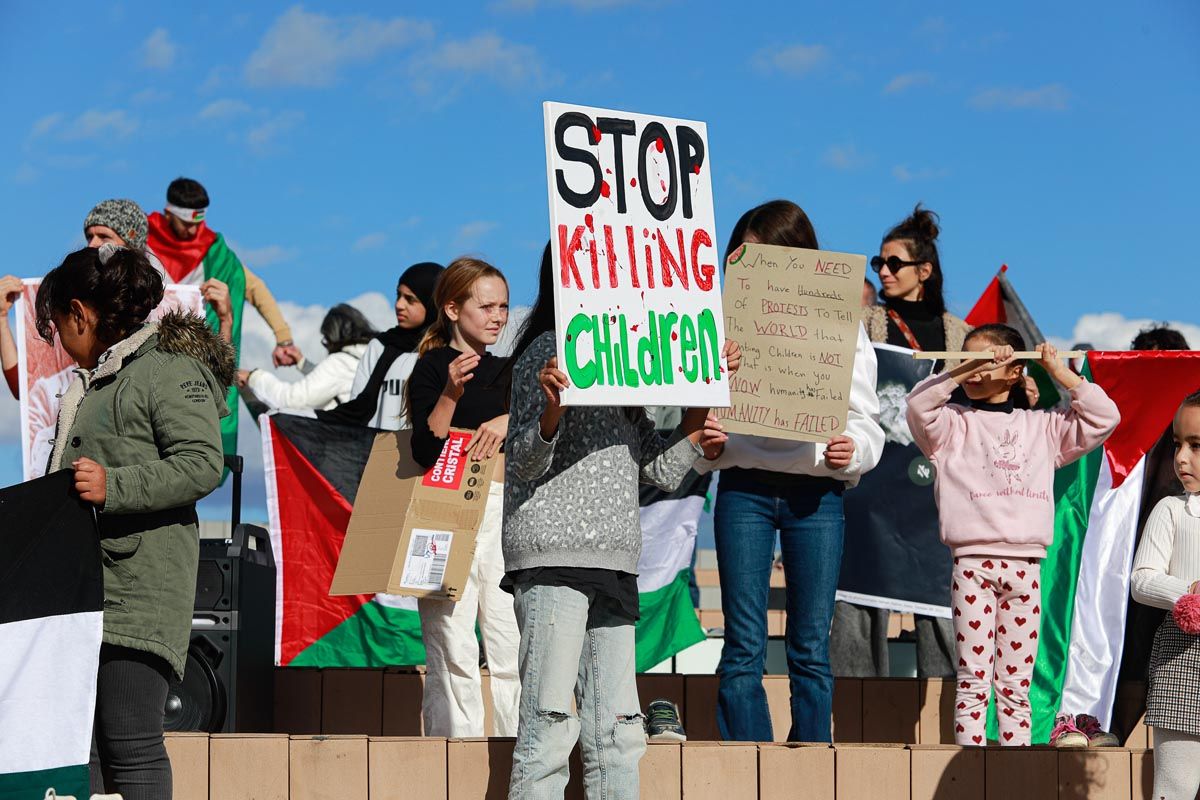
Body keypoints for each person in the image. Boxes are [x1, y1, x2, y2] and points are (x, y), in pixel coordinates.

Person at [504, 245, 738, 797]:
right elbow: (522, 462)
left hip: (613, 558)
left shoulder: (630, 360)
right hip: (553, 556)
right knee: (548, 728)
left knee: (619, 734)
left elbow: (652, 467)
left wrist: (699, 426)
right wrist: (551, 408)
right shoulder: (542, 352)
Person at [36, 244, 231, 799]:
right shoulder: (96, 381)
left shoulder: (167, 370)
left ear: (80, 313)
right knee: (86, 748)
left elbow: (202, 463)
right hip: (86, 593)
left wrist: (111, 487)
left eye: (56, 325)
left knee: (131, 742)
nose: (57, 340)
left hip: (136, 594)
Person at [697, 200, 884, 743]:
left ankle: (811, 762)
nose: (759, 271)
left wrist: (852, 450)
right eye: (747, 258)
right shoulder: (717, 326)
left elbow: (865, 419)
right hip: (743, 488)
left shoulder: (840, 326)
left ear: (800, 260)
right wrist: (705, 440)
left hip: (816, 496)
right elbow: (693, 414)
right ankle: (745, 762)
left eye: (770, 258)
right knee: (743, 641)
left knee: (809, 643)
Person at [906, 324, 1119, 746]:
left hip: (1026, 568)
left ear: (1015, 371)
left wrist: (1059, 372)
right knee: (972, 679)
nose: (980, 369)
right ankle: (971, 768)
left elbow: (1104, 417)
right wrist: (960, 372)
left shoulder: (1042, 427)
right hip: (972, 566)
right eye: (969, 359)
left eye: (990, 360)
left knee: (1015, 685)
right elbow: (917, 405)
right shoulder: (951, 426)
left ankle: (1015, 770)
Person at [831, 204, 972, 681]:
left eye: (894, 263)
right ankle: (854, 720)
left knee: (943, 609)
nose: (884, 271)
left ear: (925, 271)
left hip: (938, 499)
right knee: (857, 605)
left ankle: (952, 725)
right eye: (878, 263)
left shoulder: (963, 336)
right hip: (871, 494)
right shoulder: (865, 326)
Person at [403, 257, 519, 738]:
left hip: (503, 510)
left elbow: (542, 428)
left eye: (504, 306)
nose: (497, 316)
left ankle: (521, 751)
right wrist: (450, 393)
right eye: (485, 305)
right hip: (441, 510)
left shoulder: (512, 370)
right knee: (450, 641)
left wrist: (508, 421)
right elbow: (424, 447)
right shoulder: (429, 368)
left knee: (510, 637)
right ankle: (456, 757)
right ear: (452, 308)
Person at [1130, 389, 1200, 799]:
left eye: (1197, 445)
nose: (1182, 457)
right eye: (1178, 444)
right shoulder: (1171, 510)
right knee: (1175, 786)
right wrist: (1188, 593)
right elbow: (1142, 579)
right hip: (1181, 659)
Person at [145, 177, 295, 365]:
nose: (193, 231)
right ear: (168, 214)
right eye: (186, 224)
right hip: (146, 352)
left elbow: (254, 287)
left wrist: (284, 337)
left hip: (194, 358)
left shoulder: (215, 252)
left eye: (197, 224)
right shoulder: (141, 239)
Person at [319, 262, 444, 429]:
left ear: (432, 303)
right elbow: (357, 408)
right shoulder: (380, 346)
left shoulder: (449, 351)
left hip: (430, 452)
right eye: (398, 295)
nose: (399, 305)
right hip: (379, 451)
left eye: (410, 299)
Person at [235, 303, 374, 412]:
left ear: (333, 337)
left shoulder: (340, 363)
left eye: (326, 340)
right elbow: (333, 383)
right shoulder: (368, 359)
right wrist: (302, 362)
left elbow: (292, 400)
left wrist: (253, 377)